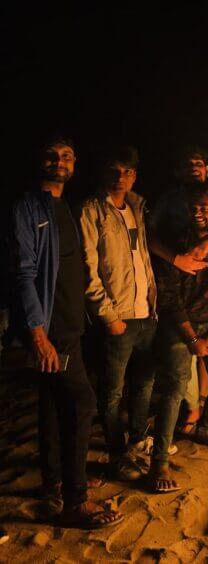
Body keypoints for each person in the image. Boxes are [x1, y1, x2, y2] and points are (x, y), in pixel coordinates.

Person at [10, 137, 123, 528]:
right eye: (52, 155)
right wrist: (38, 335)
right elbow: (24, 273)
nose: (60, 161)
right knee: (82, 403)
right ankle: (76, 501)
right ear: (39, 160)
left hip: (71, 326)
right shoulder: (28, 207)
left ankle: (53, 484)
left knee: (53, 405)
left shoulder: (65, 208)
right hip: (52, 328)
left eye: (67, 156)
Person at [148, 186, 208, 493]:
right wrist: (192, 339)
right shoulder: (177, 243)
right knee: (174, 389)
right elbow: (169, 296)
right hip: (181, 325)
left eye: (204, 207)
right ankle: (160, 460)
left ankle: (205, 428)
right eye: (194, 207)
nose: (198, 212)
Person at [79, 146, 158, 481]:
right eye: (114, 170)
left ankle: (138, 441)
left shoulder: (137, 207)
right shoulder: (92, 211)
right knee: (112, 392)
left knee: (143, 384)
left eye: (127, 171)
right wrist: (107, 314)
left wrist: (153, 306)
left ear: (134, 176)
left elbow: (143, 258)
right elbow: (88, 267)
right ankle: (116, 454)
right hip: (118, 316)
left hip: (146, 313)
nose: (120, 177)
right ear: (103, 172)